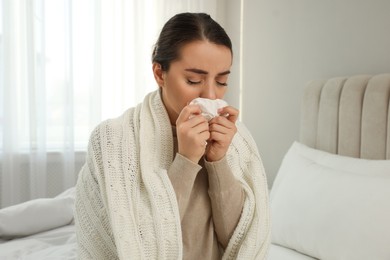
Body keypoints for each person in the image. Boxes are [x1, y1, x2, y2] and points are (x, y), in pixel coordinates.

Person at [74, 12, 270, 259]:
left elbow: (240, 241)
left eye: (221, 81)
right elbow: (140, 243)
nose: (211, 95)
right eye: (193, 79)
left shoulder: (236, 139)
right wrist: (186, 161)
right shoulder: (113, 138)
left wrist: (218, 162)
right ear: (159, 74)